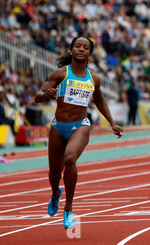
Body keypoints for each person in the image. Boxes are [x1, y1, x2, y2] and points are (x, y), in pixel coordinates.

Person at [34, 36, 123, 229]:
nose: (81, 49)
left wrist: (112, 123)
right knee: (54, 172)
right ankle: (56, 193)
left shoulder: (94, 79)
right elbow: (37, 97)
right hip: (58, 126)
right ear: (71, 50)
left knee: (69, 159)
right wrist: (45, 94)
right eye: (77, 46)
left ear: (90, 53)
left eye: (85, 47)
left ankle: (68, 208)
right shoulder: (60, 74)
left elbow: (99, 101)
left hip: (80, 125)